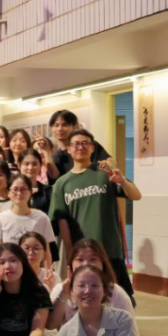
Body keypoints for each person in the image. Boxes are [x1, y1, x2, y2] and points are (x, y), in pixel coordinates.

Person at [49, 128, 141, 300]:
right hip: (84, 256)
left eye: (85, 143)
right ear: (69, 149)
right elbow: (62, 222)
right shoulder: (61, 184)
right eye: (76, 144)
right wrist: (70, 253)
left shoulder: (105, 174)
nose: (80, 147)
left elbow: (136, 195)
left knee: (119, 300)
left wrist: (122, 181)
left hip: (111, 251)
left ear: (92, 147)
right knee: (87, 299)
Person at [48, 239, 135, 330]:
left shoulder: (116, 293)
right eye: (80, 259)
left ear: (103, 264)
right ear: (70, 264)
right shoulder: (61, 289)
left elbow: (130, 332)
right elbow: (50, 325)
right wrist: (64, 293)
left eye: (93, 259)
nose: (86, 264)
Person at [0, 174, 56, 253]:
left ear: (30, 192)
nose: (19, 193)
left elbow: (46, 252)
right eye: (15, 189)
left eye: (23, 189)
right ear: (8, 193)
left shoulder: (42, 218)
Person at [48, 109, 114, 179]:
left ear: (74, 126)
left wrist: (108, 164)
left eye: (65, 125)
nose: (60, 129)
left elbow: (111, 161)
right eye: (56, 125)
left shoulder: (87, 145)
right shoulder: (56, 156)